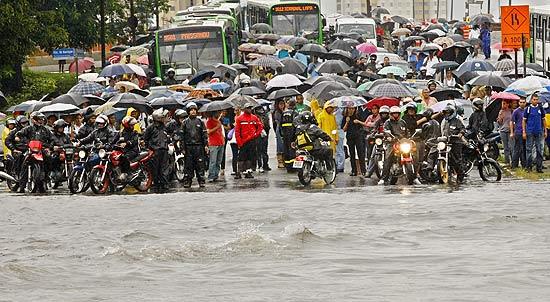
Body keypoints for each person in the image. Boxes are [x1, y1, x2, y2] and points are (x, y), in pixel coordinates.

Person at [15, 112, 55, 192]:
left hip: (42, 149)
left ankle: (48, 177)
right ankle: (22, 186)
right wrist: (17, 137)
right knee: (24, 164)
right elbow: (18, 134)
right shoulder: (28, 128)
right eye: (38, 119)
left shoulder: (45, 130)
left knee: (49, 159)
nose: (40, 121)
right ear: (33, 120)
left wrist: (49, 148)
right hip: (30, 149)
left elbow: (52, 139)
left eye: (41, 119)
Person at [378, 106, 408, 185]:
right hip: (391, 143)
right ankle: (383, 178)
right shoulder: (388, 122)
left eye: (397, 113)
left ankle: (414, 176)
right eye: (394, 113)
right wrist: (388, 137)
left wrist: (409, 138)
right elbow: (386, 131)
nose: (395, 115)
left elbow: (407, 133)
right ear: (391, 114)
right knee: (388, 158)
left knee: (413, 153)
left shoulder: (403, 122)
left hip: (402, 142)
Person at [143, 108, 171, 192]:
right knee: (155, 168)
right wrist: (150, 148)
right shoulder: (150, 128)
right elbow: (146, 139)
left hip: (164, 150)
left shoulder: (165, 127)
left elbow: (167, 136)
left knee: (164, 168)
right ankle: (156, 183)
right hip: (155, 151)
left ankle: (164, 183)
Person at [181, 102, 208, 187]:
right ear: (188, 111)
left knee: (200, 165)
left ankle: (201, 180)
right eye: (191, 110)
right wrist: (183, 148)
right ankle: (188, 181)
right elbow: (182, 136)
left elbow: (204, 135)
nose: (193, 111)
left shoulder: (200, 121)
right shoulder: (185, 122)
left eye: (194, 110)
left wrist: (206, 145)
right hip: (188, 147)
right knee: (188, 165)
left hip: (199, 146)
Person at [234, 103, 264, 179]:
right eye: (248, 108)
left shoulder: (254, 118)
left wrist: (256, 134)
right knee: (241, 157)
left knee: (250, 157)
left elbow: (260, 126)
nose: (250, 109)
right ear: (244, 109)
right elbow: (237, 131)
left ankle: (248, 171)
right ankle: (239, 172)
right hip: (243, 141)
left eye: (250, 108)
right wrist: (239, 142)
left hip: (252, 141)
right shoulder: (239, 118)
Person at [440, 105, 466, 182]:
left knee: (457, 160)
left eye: (448, 113)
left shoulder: (457, 121)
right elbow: (442, 131)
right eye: (445, 113)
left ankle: (460, 175)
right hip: (446, 142)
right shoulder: (445, 122)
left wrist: (460, 133)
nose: (447, 114)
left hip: (456, 142)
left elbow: (463, 129)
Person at [522, 93, 546, 173]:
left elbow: (543, 120)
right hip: (530, 132)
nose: (535, 101)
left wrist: (545, 130)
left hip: (539, 132)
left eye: (537, 100)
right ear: (531, 100)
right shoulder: (528, 109)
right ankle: (528, 167)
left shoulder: (540, 108)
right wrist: (524, 132)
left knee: (539, 150)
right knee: (529, 150)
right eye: (534, 99)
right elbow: (524, 121)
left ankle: (539, 168)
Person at [342, 106, 367, 176]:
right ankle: (354, 170)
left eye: (353, 108)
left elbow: (364, 123)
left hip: (358, 136)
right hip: (350, 136)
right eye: (349, 108)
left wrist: (358, 121)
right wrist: (347, 122)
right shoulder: (345, 117)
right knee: (351, 154)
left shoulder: (358, 115)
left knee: (360, 153)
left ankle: (363, 170)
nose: (351, 110)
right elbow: (344, 129)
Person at [118, 116, 141, 181]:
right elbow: (114, 140)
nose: (132, 126)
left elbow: (134, 141)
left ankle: (129, 173)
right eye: (131, 125)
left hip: (134, 150)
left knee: (124, 157)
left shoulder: (134, 132)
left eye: (133, 125)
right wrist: (108, 145)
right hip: (124, 150)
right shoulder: (121, 133)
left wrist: (127, 143)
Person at [206, 111, 225, 182]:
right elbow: (208, 131)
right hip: (213, 143)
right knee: (213, 161)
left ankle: (216, 175)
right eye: (218, 113)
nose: (219, 114)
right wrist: (216, 127)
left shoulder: (218, 121)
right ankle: (211, 175)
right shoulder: (209, 121)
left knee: (218, 161)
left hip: (221, 143)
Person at [280, 99, 298, 170]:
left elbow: (280, 124)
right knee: (292, 149)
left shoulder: (284, 113)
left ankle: (288, 166)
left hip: (285, 134)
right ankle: (293, 166)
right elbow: (296, 124)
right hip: (292, 134)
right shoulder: (295, 113)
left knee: (286, 149)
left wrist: (281, 134)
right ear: (294, 105)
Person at [510, 97, 527, 169]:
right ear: (519, 103)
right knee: (518, 149)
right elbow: (511, 121)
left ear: (525, 103)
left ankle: (523, 164)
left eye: (523, 102)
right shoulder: (516, 111)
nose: (522, 104)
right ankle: (516, 164)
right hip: (518, 132)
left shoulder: (527, 110)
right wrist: (511, 132)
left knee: (524, 148)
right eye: (521, 102)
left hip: (526, 132)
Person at [255, 105, 271, 172]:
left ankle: (261, 165)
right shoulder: (265, 115)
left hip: (259, 135)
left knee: (259, 151)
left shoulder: (255, 116)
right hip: (264, 135)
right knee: (263, 151)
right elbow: (268, 127)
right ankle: (264, 165)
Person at [497, 100, 513, 165]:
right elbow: (499, 122)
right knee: (505, 147)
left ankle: (513, 161)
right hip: (503, 131)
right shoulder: (501, 111)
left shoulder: (511, 111)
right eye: (502, 104)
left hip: (510, 130)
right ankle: (507, 161)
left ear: (508, 104)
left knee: (511, 146)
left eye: (504, 104)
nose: (503, 105)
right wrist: (500, 117)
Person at [272, 99, 285, 168]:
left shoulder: (285, 111)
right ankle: (280, 161)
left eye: (283, 104)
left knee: (285, 145)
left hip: (285, 130)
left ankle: (284, 160)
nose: (282, 105)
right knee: (279, 146)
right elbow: (278, 121)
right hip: (279, 129)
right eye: (280, 104)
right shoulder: (276, 112)